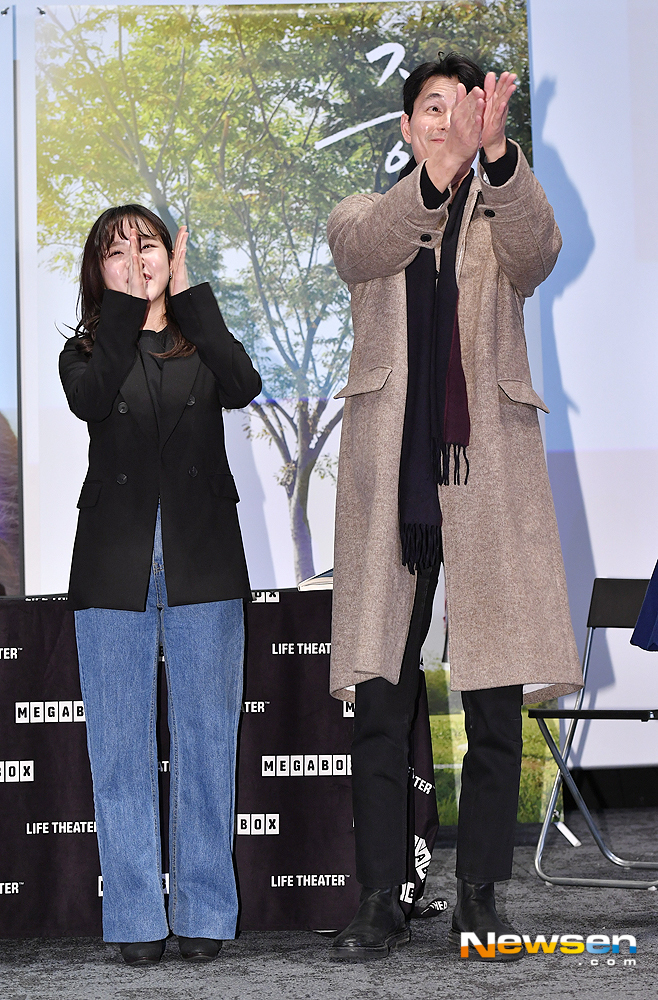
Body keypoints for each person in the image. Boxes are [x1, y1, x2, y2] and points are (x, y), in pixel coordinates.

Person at [326, 52, 582, 961]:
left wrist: (501, 157)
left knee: (493, 699)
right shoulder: (368, 216)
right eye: (428, 108)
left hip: (486, 484)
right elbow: (369, 247)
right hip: (390, 489)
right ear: (405, 127)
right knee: (383, 706)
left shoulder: (505, 212)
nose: (445, 120)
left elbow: (541, 252)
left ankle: (479, 893)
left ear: (485, 118)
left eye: (461, 107)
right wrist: (434, 184)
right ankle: (381, 899)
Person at [59, 206, 261, 966]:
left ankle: (206, 909)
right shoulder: (84, 353)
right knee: (118, 750)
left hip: (203, 557)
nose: (135, 257)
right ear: (98, 271)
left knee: (209, 742)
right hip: (111, 566)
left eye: (145, 244)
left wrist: (185, 301)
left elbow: (244, 383)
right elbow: (91, 399)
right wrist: (127, 312)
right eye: (117, 251)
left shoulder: (202, 345)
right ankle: (136, 916)